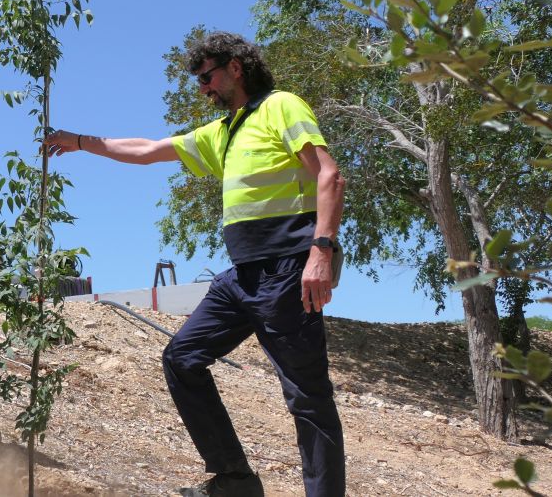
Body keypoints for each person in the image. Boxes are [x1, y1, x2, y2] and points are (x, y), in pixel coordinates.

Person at [44, 32, 346, 497]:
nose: (203, 88)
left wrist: (321, 252)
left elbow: (328, 173)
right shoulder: (225, 131)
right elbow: (147, 150)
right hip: (242, 278)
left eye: (207, 77)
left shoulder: (280, 106)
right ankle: (235, 481)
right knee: (182, 357)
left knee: (308, 400)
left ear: (236, 67)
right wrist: (81, 142)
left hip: (288, 270)